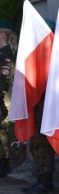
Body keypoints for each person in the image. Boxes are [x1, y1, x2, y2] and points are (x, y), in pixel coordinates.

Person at [23, 18, 57, 194]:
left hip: (46, 105)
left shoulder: (53, 55)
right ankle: (40, 178)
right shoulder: (36, 54)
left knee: (43, 143)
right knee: (35, 143)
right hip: (36, 105)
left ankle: (45, 181)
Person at [0, 19, 16, 177]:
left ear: (3, 35)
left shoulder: (6, 56)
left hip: (4, 100)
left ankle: (5, 164)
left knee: (3, 132)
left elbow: (6, 81)